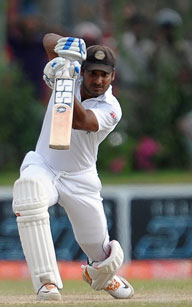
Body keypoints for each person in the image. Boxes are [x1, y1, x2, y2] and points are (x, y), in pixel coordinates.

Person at [11, 33, 134, 301]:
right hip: (45, 165)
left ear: (112, 76)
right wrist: (67, 49)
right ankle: (46, 282)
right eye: (92, 73)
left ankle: (102, 275)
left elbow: (80, 121)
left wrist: (61, 83)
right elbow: (45, 39)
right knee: (28, 193)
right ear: (84, 71)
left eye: (104, 75)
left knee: (102, 253)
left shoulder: (111, 107)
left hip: (81, 178)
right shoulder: (71, 73)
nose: (98, 80)